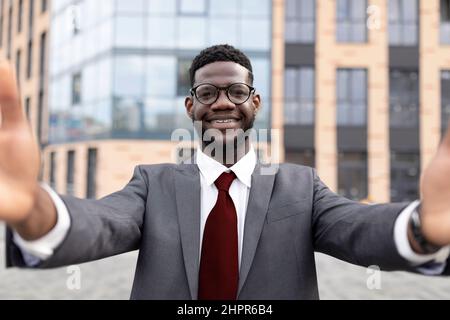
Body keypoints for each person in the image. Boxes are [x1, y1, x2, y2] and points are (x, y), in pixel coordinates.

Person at [1, 44, 450, 300]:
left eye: (236, 91)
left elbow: (357, 228)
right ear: (190, 106)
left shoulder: (301, 186)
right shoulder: (151, 184)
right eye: (207, 92)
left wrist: (421, 227)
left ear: (254, 103)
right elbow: (98, 224)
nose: (222, 103)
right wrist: (34, 208)